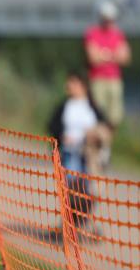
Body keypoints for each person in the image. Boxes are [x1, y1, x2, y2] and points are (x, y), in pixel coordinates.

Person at [47, 72, 111, 231]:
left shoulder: (92, 107)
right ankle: (69, 224)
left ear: (83, 86)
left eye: (73, 83)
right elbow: (52, 126)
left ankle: (83, 223)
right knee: (70, 190)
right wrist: (61, 137)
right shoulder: (64, 106)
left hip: (89, 155)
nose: (69, 86)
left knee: (87, 191)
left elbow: (105, 127)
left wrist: (93, 136)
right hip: (69, 153)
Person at [83, 0, 129, 129]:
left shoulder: (118, 34)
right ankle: (99, 137)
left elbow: (125, 58)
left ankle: (108, 138)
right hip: (97, 79)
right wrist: (114, 55)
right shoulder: (92, 33)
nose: (109, 21)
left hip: (114, 79)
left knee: (115, 116)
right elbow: (93, 58)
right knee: (97, 113)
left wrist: (103, 55)